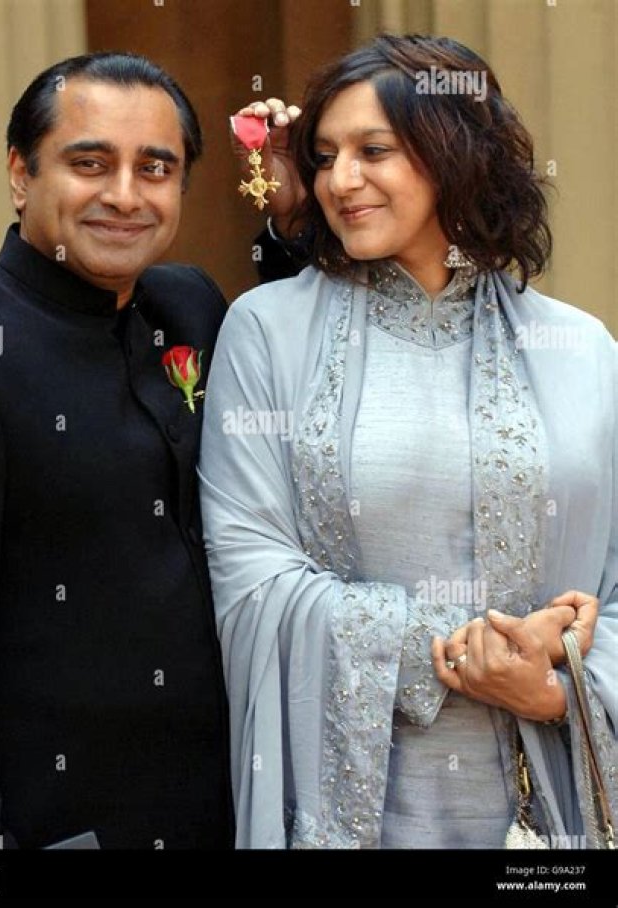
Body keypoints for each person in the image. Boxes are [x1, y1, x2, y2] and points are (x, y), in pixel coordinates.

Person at [199, 35, 617, 848]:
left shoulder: (582, 349)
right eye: (324, 157)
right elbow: (251, 577)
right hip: (351, 809)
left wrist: (554, 691)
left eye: (373, 151)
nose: (339, 181)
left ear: (455, 152)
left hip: (551, 804)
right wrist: (469, 655)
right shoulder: (268, 332)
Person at [0, 52, 300, 849]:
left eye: (155, 168)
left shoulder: (187, 305)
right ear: (20, 175)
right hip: (59, 826)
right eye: (90, 164)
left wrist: (293, 220)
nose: (124, 195)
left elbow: (313, 363)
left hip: (223, 813)